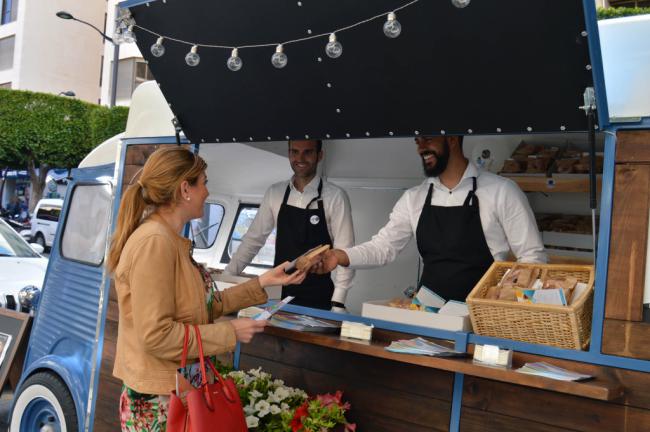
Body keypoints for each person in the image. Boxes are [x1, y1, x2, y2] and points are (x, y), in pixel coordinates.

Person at [107, 147, 306, 431]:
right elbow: (157, 335)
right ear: (184, 189)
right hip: (159, 399)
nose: (207, 192)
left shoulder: (168, 239)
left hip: (177, 390)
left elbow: (201, 306)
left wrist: (262, 283)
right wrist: (231, 332)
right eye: (204, 182)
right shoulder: (155, 243)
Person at [316, 135, 547, 302]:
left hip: (482, 318)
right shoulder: (414, 198)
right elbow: (383, 247)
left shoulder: (502, 191)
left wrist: (506, 299)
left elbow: (532, 257)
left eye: (428, 139)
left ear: (453, 138)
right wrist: (340, 256)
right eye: (418, 141)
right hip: (428, 315)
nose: (421, 148)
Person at [225, 140, 355, 311]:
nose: (299, 158)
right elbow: (253, 240)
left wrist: (338, 302)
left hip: (320, 297)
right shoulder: (275, 193)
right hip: (278, 295)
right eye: (294, 152)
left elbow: (345, 253)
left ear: (320, 155)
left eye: (307, 152)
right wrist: (227, 277)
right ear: (288, 154)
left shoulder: (335, 197)